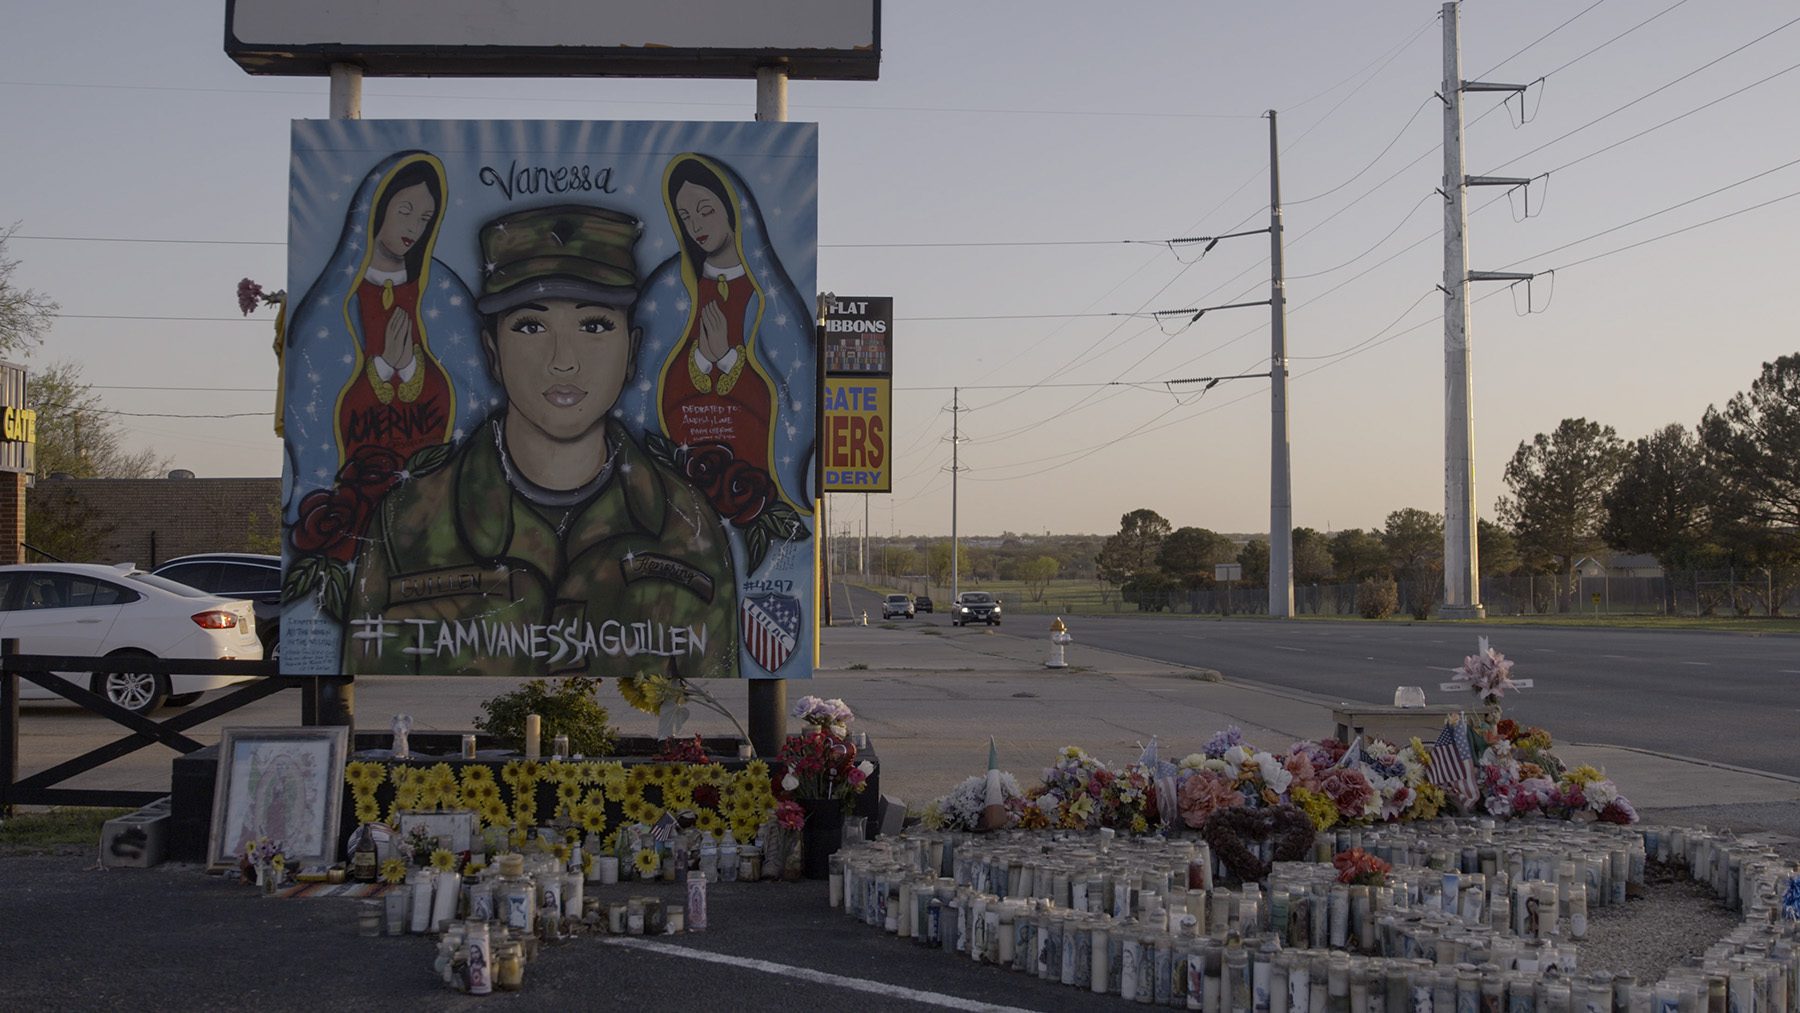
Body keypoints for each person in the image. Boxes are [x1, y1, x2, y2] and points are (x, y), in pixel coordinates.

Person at [340, 204, 739, 678]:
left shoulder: (685, 524)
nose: (563, 360)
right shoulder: (410, 520)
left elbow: (713, 694)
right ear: (493, 353)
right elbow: (376, 685)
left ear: (630, 353)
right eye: (530, 326)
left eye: (594, 326)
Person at [634, 153, 815, 523]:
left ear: (734, 209)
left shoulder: (769, 294)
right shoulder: (675, 291)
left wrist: (726, 359)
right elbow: (652, 383)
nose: (696, 225)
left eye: (706, 210)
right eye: (686, 217)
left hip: (751, 476)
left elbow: (791, 392)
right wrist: (703, 359)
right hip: (684, 472)